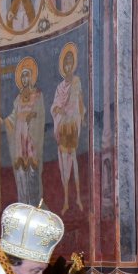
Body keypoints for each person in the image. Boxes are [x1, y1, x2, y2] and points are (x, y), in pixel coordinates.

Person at [2, 59, 45, 207]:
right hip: (19, 138)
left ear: (32, 77)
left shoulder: (38, 95)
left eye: (27, 76)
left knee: (32, 170)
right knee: (21, 171)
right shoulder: (18, 98)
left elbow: (40, 113)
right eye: (23, 77)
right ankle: (23, 203)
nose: (25, 79)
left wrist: (32, 116)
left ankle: (34, 204)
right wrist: (4, 121)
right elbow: (14, 116)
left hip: (31, 136)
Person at [51, 44, 85, 213]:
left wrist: (82, 117)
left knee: (75, 163)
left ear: (74, 64)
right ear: (62, 66)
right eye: (66, 63)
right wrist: (58, 110)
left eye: (70, 62)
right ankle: (65, 201)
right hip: (63, 126)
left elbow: (80, 103)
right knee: (64, 166)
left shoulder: (77, 82)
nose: (68, 66)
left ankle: (78, 198)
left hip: (73, 126)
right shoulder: (59, 87)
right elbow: (55, 106)